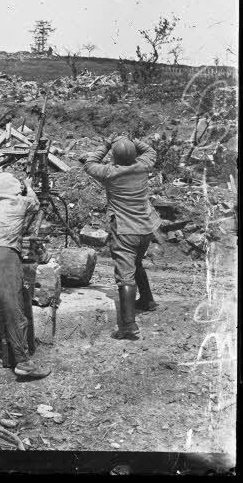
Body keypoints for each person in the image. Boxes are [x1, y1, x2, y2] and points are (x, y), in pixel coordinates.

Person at [0, 172, 51, 379]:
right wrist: (29, 185)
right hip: (4, 256)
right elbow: (36, 202)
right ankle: (23, 362)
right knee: (13, 307)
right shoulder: (21, 202)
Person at [80, 136, 158, 340]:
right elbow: (151, 151)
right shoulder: (143, 166)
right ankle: (147, 300)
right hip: (146, 229)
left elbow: (89, 163)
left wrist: (106, 144)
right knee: (136, 262)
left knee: (125, 276)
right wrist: (133, 140)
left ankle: (128, 326)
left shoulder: (109, 172)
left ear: (114, 156)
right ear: (134, 154)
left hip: (125, 231)